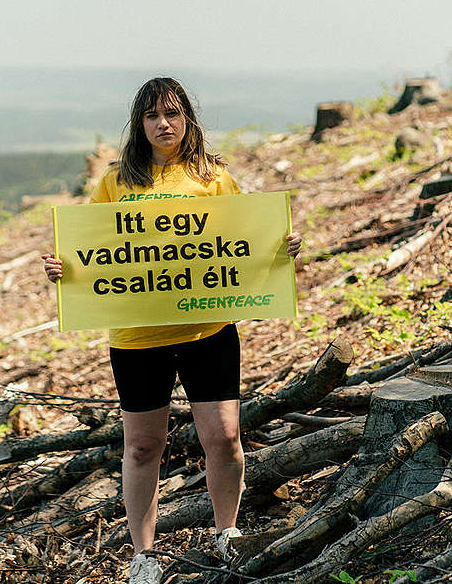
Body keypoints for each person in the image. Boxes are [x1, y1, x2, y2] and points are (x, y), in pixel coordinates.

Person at [44, 77, 301, 584]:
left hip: (209, 331)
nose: (164, 124)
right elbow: (93, 250)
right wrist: (64, 269)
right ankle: (144, 556)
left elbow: (242, 243)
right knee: (142, 447)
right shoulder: (117, 183)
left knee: (224, 437)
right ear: (139, 124)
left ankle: (226, 534)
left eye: (173, 113)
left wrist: (280, 247)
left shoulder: (214, 178)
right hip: (138, 340)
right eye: (152, 115)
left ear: (188, 119)